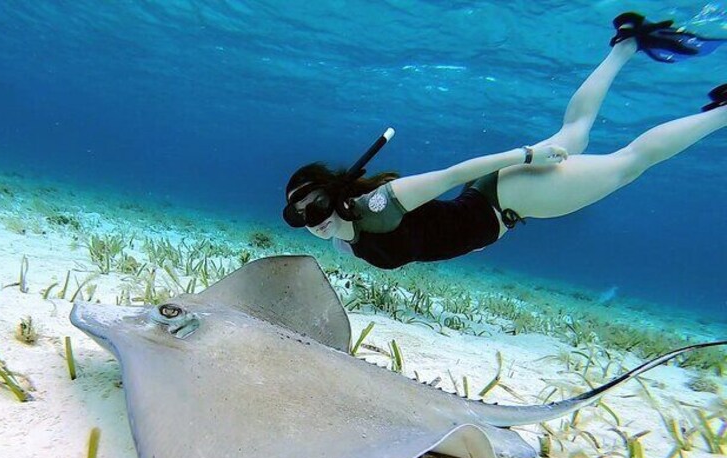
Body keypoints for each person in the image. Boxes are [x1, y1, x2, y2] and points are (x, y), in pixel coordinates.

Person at [282, 12, 727, 270]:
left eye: (315, 208)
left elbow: (453, 174)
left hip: (511, 197)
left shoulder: (379, 206)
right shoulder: (342, 240)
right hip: (494, 198)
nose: (311, 222)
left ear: (335, 198)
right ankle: (626, 43)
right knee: (574, 133)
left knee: (628, 164)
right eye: (297, 216)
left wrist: (528, 156)